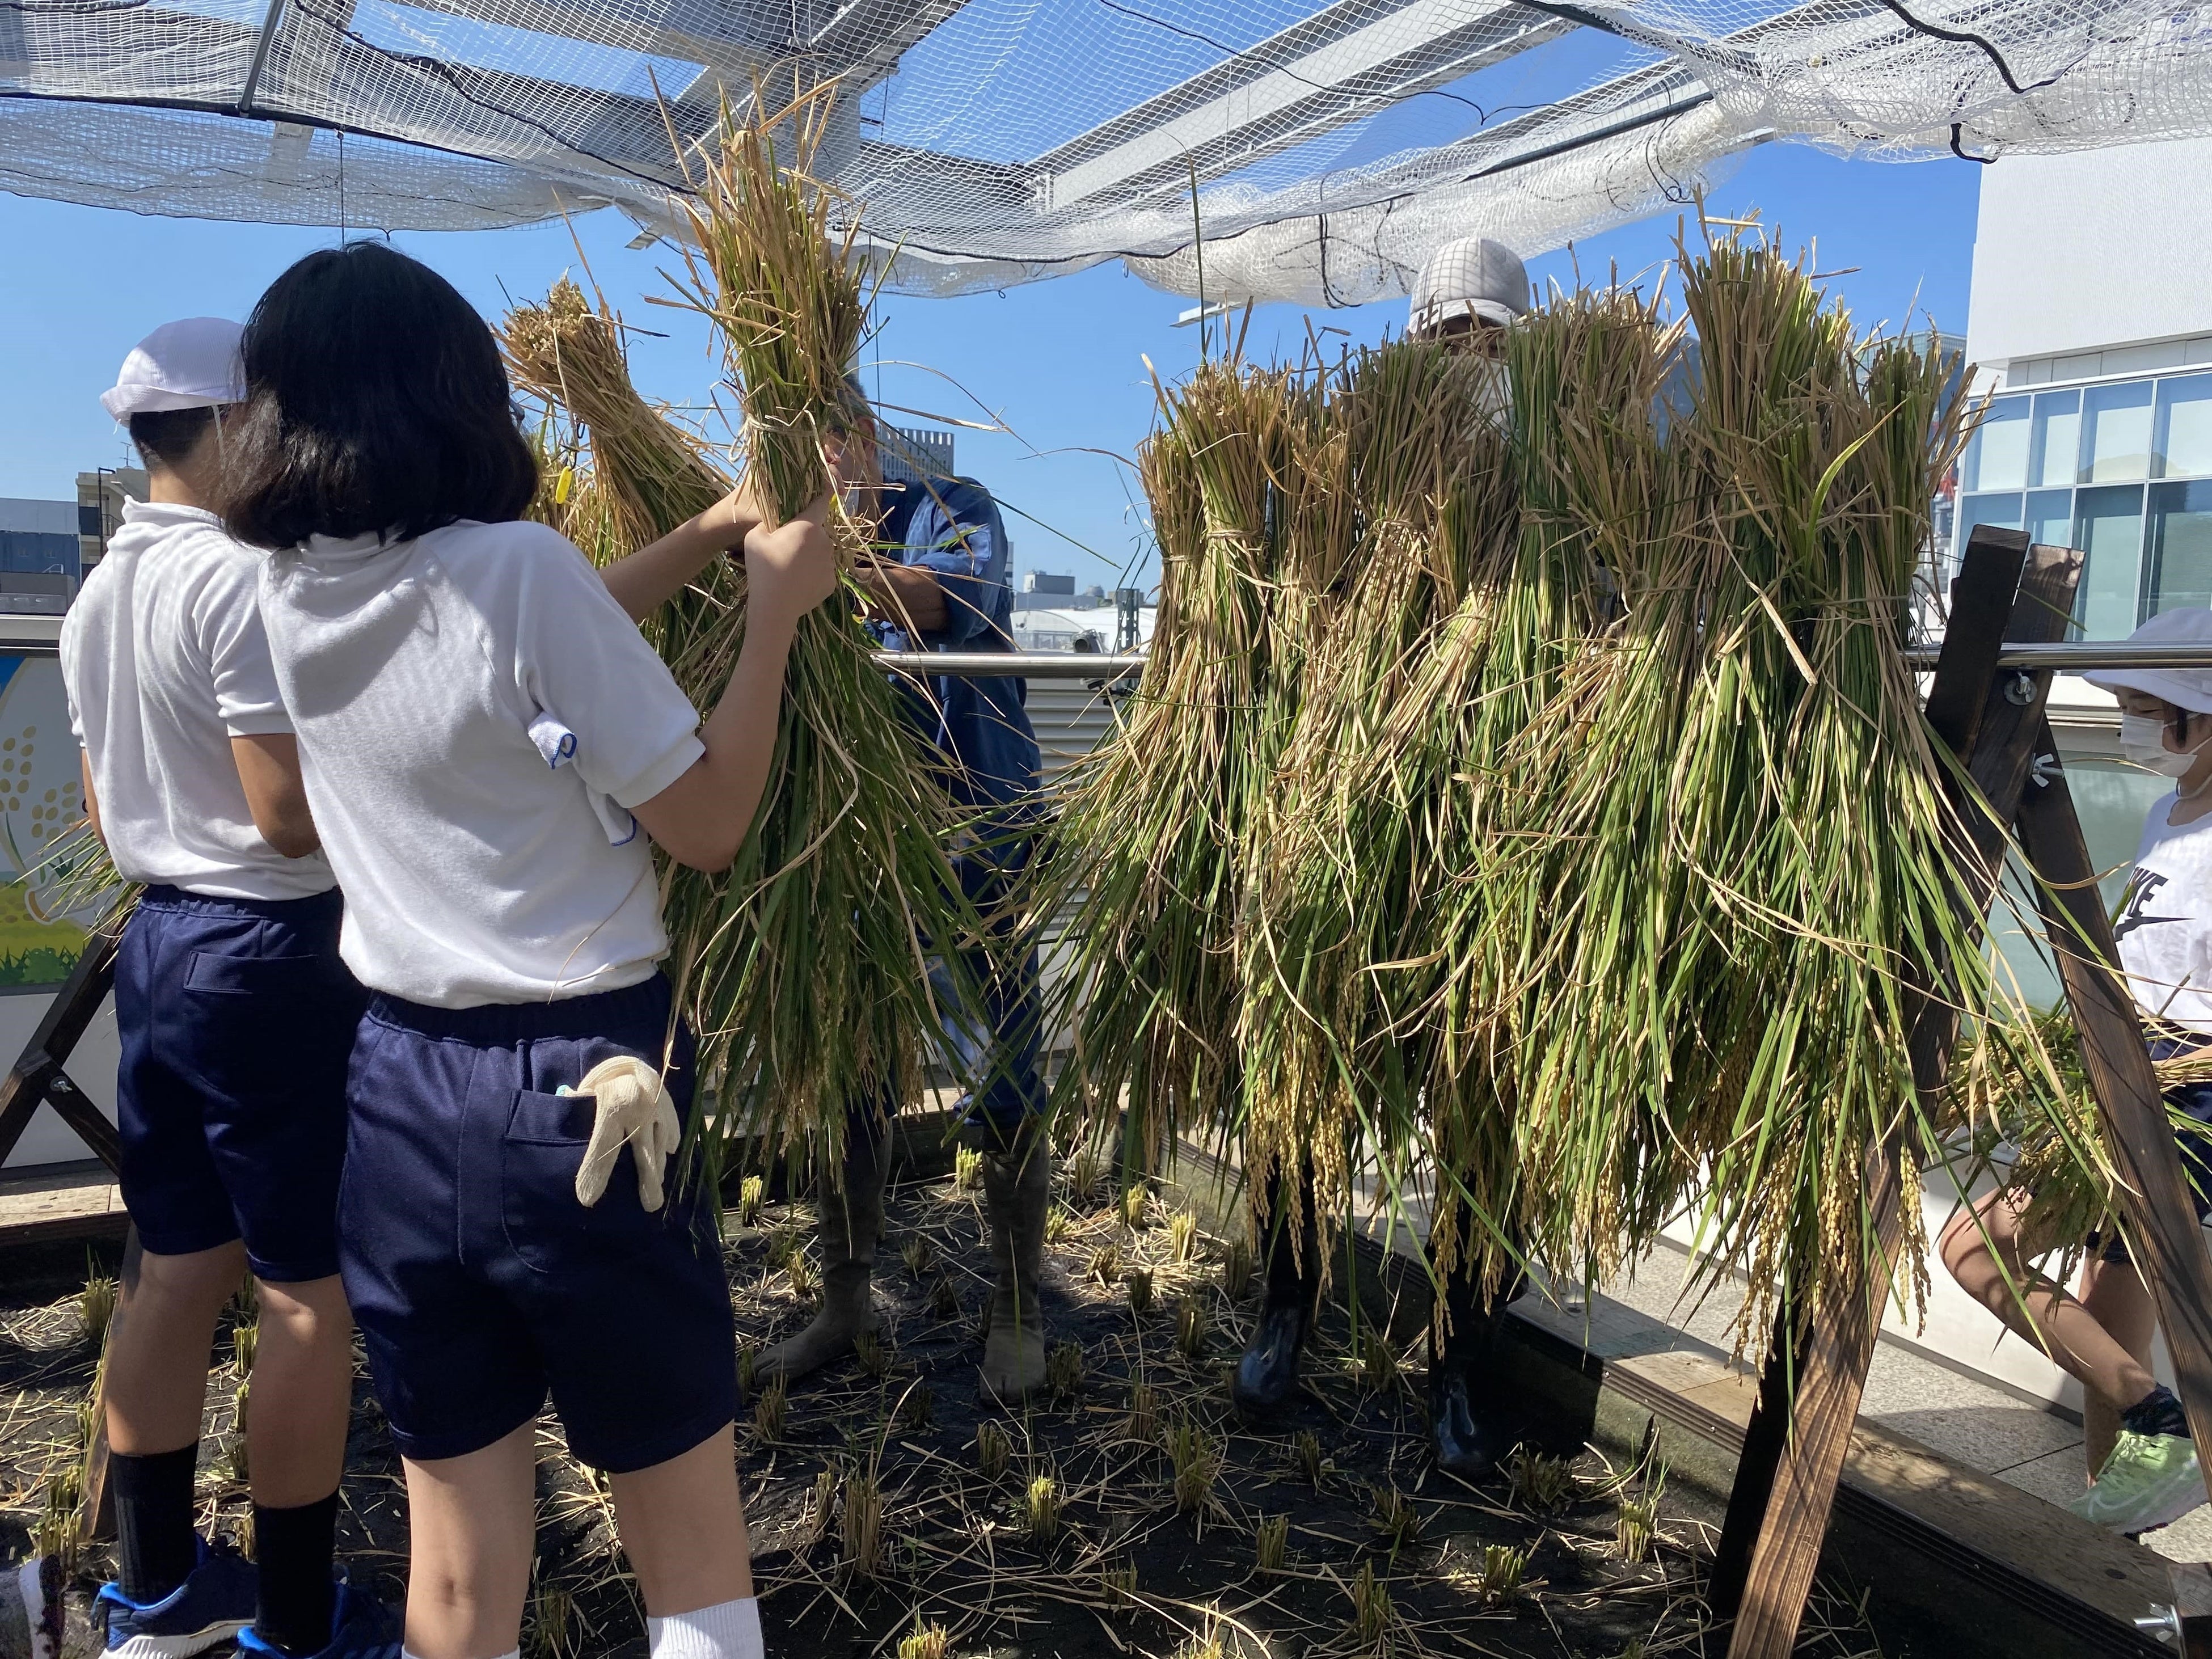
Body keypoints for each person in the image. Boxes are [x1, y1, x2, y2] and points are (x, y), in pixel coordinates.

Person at [223, 242, 836, 1659]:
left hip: (395, 1104)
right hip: (585, 1089)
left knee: (454, 1572)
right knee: (689, 1558)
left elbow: (498, 653)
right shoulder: (518, 571)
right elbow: (711, 823)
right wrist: (771, 613)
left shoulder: (292, 593)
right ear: (455, 398)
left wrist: (693, 536)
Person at [53, 318, 392, 1659]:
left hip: (161, 949)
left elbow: (101, 800)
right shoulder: (244, 579)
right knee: (311, 1291)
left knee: (178, 1268)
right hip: (268, 957)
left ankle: (159, 1590)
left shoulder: (98, 593)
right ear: (233, 424)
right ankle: (301, 1625)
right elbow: (286, 819)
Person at [1230, 235, 1533, 1484]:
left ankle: (1461, 1361)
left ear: (1517, 343)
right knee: (1309, 1065)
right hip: (1355, 792)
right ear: (1414, 346)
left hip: (1500, 806)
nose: (1464, 359)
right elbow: (1301, 594)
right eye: (1444, 339)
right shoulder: (1358, 455)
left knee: (1484, 1096)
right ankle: (1287, 1308)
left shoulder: (1564, 458)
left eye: (1483, 339)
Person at [755, 398, 1052, 1402]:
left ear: (864, 440)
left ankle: (1015, 1304)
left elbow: (939, 601)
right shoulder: (776, 540)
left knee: (1002, 1057)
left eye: (837, 441)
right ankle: (845, 1300)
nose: (829, 463)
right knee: (853, 1063)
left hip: (983, 831)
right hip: (859, 852)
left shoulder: (953, 507)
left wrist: (813, 567)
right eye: (804, 451)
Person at [1940, 603, 2212, 1535]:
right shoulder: (2163, 811)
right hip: (2128, 1076)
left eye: (2148, 703)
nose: (2135, 720)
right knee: (2106, 1317)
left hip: (2189, 1099)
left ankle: (2156, 1426)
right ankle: (2130, 1520)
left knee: (1976, 1245)